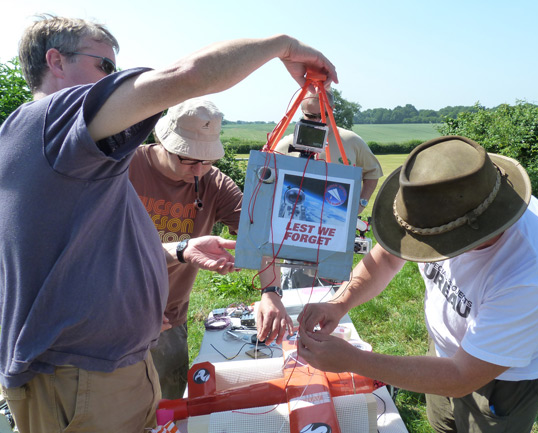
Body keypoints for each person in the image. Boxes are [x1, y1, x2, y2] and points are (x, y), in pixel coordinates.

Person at [0, 14, 336, 433]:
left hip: (108, 364)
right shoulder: (55, 123)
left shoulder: (79, 158)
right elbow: (187, 75)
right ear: (56, 61)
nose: (114, 78)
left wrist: (180, 253)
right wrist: (284, 45)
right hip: (83, 375)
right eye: (104, 66)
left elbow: (89, 252)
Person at [297, 136, 538, 432]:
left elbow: (462, 376)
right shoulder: (446, 198)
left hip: (503, 379)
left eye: (431, 242)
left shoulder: (532, 273)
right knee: (442, 424)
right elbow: (388, 259)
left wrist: (354, 360)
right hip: (445, 356)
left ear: (471, 232)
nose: (425, 249)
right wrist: (340, 302)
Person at [129, 98, 292, 399]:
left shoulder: (215, 184)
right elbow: (90, 245)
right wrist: (124, 307)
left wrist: (271, 292)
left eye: (207, 160)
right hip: (112, 314)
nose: (199, 170)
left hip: (168, 318)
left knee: (166, 403)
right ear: (162, 141)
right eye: (189, 159)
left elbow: (259, 236)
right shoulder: (124, 169)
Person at [274, 90, 383, 289]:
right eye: (309, 116)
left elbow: (372, 173)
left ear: (332, 111)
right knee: (295, 287)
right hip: (298, 230)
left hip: (335, 230)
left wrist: (360, 204)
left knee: (332, 290)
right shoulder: (288, 144)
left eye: (322, 115)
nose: (316, 121)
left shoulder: (351, 141)